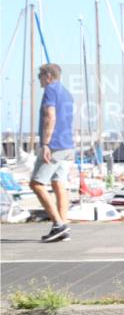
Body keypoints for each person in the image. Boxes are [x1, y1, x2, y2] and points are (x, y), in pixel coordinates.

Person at [29, 63, 75, 243]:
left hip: (54, 145)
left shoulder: (50, 90)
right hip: (67, 145)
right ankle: (63, 227)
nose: (39, 80)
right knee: (58, 184)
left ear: (48, 76)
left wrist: (46, 144)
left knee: (36, 184)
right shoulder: (67, 93)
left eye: (40, 76)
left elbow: (50, 116)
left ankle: (58, 225)